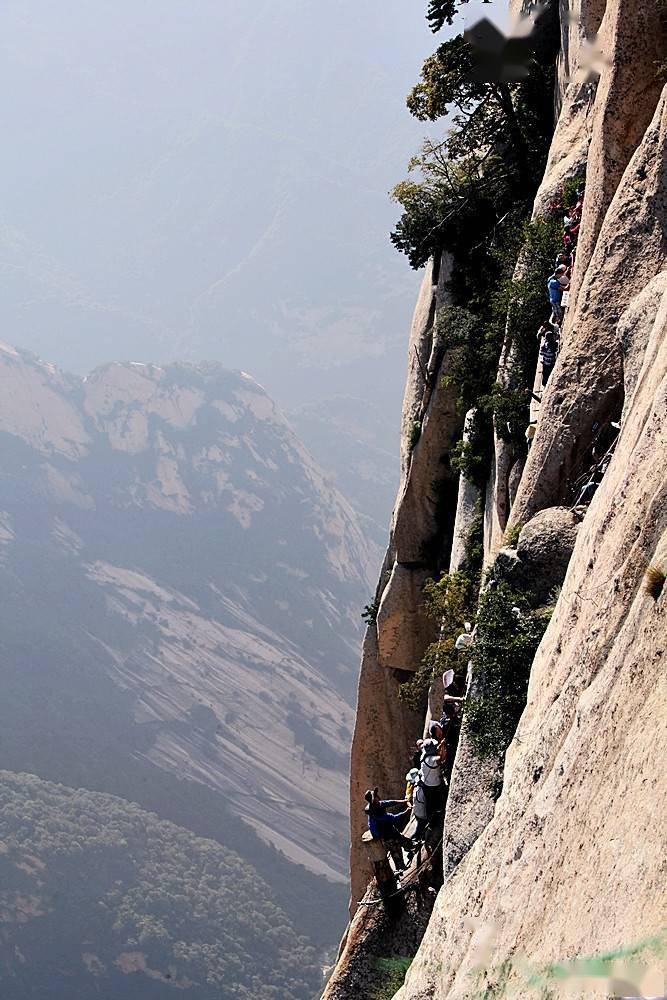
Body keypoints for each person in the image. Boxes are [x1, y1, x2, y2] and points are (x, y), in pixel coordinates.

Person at [419, 740, 446, 819]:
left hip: (426, 784)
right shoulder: (433, 760)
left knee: (429, 803)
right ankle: (437, 815)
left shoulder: (423, 756)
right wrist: (443, 746)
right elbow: (442, 757)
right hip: (434, 784)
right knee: (436, 801)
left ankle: (430, 819)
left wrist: (440, 745)